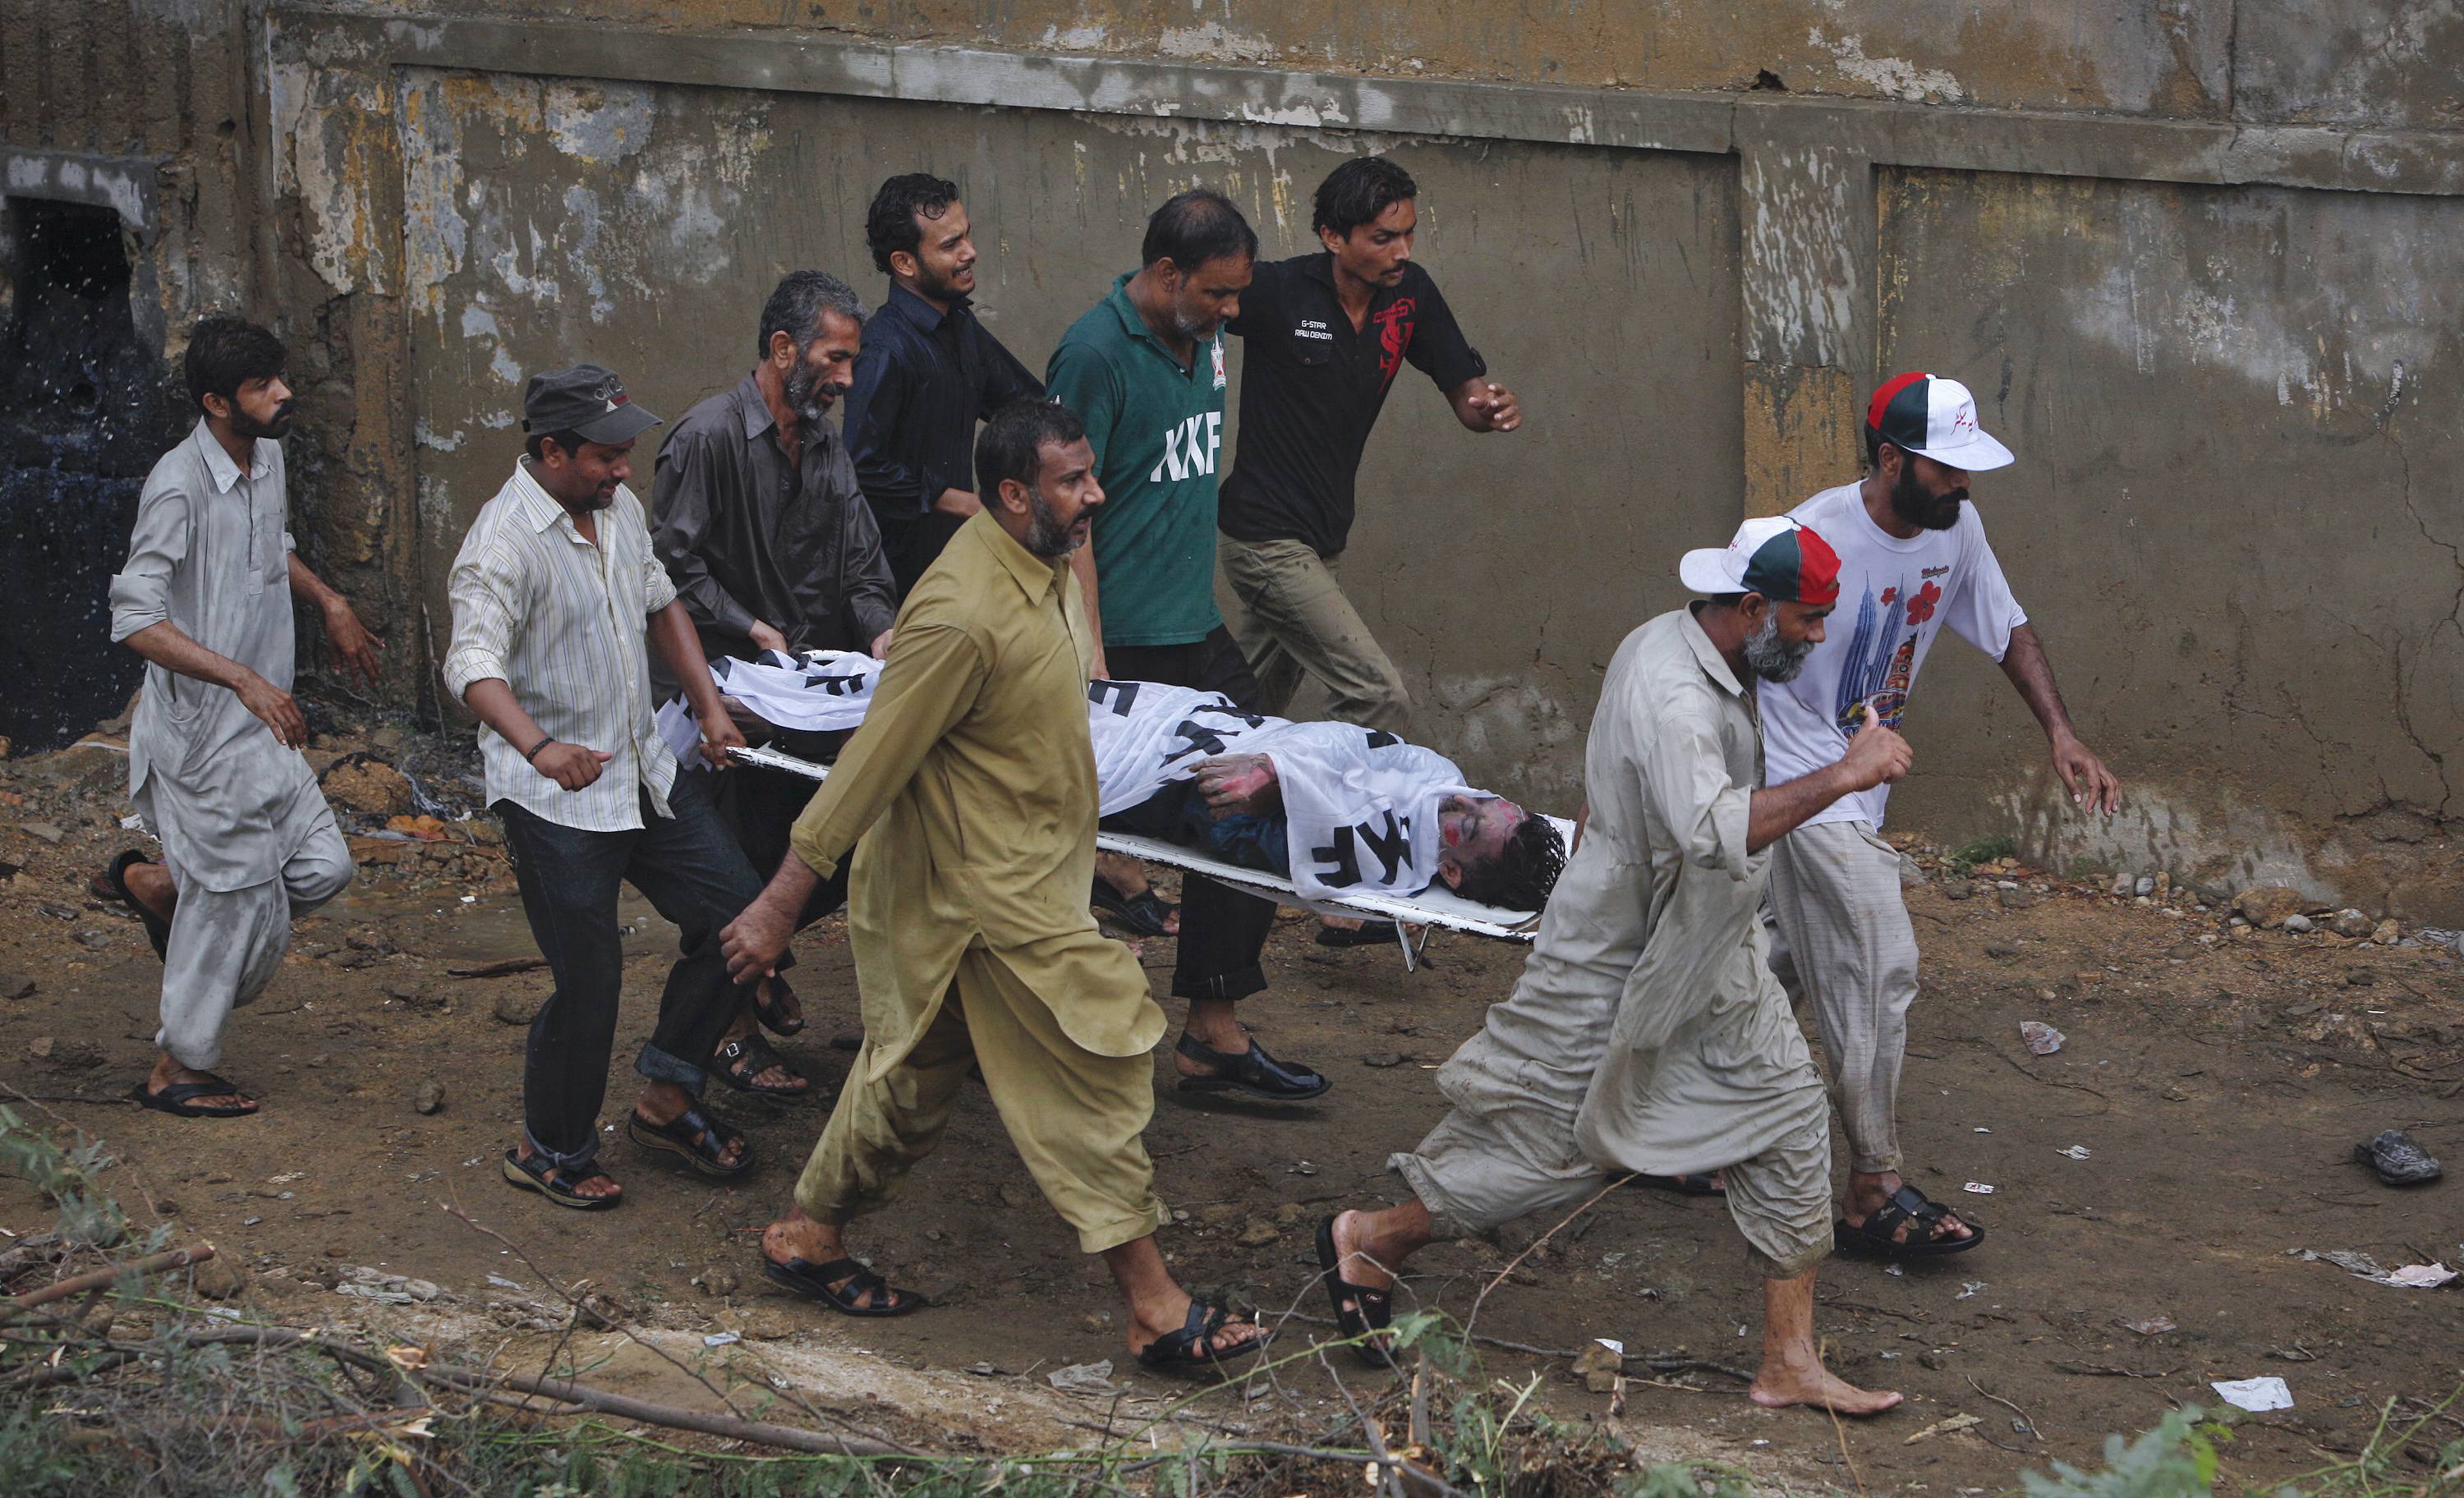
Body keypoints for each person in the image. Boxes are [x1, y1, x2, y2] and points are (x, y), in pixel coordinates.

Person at [718, 398, 1270, 1372]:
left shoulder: (1044, 561)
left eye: (1090, 473)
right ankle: (1152, 1304)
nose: (1095, 494)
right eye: (1072, 480)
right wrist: (779, 906)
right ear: (1014, 494)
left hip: (1032, 874)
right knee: (1090, 1075)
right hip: (983, 899)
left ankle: (808, 1234)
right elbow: (869, 767)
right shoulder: (960, 613)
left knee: (912, 1079)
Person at [1316, 517, 1912, 1418]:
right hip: (1619, 951)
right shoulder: (1676, 694)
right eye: (1808, 619)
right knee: (1562, 1149)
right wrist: (1846, 775)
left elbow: (1626, 796)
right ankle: (1374, 1238)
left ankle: (1789, 1360)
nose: (1819, 636)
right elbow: (1711, 831)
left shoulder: (1687, 644)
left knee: (1792, 1112)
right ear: (1754, 607)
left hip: (1709, 944)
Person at [1758, 373, 2121, 1259]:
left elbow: (2006, 625)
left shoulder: (1955, 528)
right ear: (1891, 461)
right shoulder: (1811, 536)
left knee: (1764, 966)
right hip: (1805, 783)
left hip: (1862, 784)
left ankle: (1664, 1128)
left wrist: (2062, 734)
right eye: (1947, 469)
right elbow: (1735, 646)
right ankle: (1871, 1191)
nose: (1964, 485)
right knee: (1878, 959)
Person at [444, 363, 767, 1211]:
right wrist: (539, 748)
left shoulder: (614, 508)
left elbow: (662, 603)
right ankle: (550, 1148)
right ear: (551, 451)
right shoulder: (501, 543)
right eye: (605, 454)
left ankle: (668, 1091)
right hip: (555, 800)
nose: (624, 469)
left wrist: (709, 709)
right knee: (590, 980)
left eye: (626, 451)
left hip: (642, 771)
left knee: (745, 919)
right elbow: (470, 666)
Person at [1046, 188, 1327, 1103]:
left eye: (1238, 294)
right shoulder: (1093, 355)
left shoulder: (1201, 337)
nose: (1232, 312)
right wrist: (1088, 653)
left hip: (1194, 626)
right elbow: (1066, 517)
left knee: (1262, 793)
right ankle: (1007, 1025)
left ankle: (1213, 1027)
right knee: (1069, 829)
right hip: (1121, 644)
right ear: (1167, 274)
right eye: (1217, 293)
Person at [1216, 156, 1520, 950]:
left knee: (1238, 721)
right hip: (1263, 537)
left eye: (1407, 234)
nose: (1400, 250)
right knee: (1377, 697)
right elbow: (1188, 304)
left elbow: (1461, 387)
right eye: (1383, 237)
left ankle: (1182, 829)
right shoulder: (1278, 292)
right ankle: (1335, 880)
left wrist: (1484, 407)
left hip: (1321, 541)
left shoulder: (1409, 297)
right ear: (1333, 235)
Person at [99, 315, 378, 1119]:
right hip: (200, 740)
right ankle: (177, 1068)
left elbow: (267, 547)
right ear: (217, 403)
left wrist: (329, 599)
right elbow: (134, 619)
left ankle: (160, 886)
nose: (284, 394)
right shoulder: (176, 486)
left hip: (263, 729)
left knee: (323, 868)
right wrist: (239, 678)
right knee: (234, 910)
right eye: (263, 386)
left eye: (279, 377)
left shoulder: (269, 457)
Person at [650, 270, 898, 1101]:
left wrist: (884, 633)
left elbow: (862, 563)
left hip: (804, 696)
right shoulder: (706, 438)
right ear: (784, 349)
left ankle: (759, 970)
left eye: (853, 361)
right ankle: (725, 1033)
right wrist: (749, 625)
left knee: (832, 849)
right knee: (736, 874)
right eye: (836, 359)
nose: (847, 379)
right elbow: (668, 571)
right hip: (720, 703)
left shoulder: (826, 446)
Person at [842, 172, 1045, 599]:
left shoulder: (960, 323)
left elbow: (1025, 405)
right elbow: (861, 466)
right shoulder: (884, 349)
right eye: (951, 245)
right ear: (905, 263)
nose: (970, 252)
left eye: (967, 235)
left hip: (959, 568)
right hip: (896, 584)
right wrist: (965, 502)